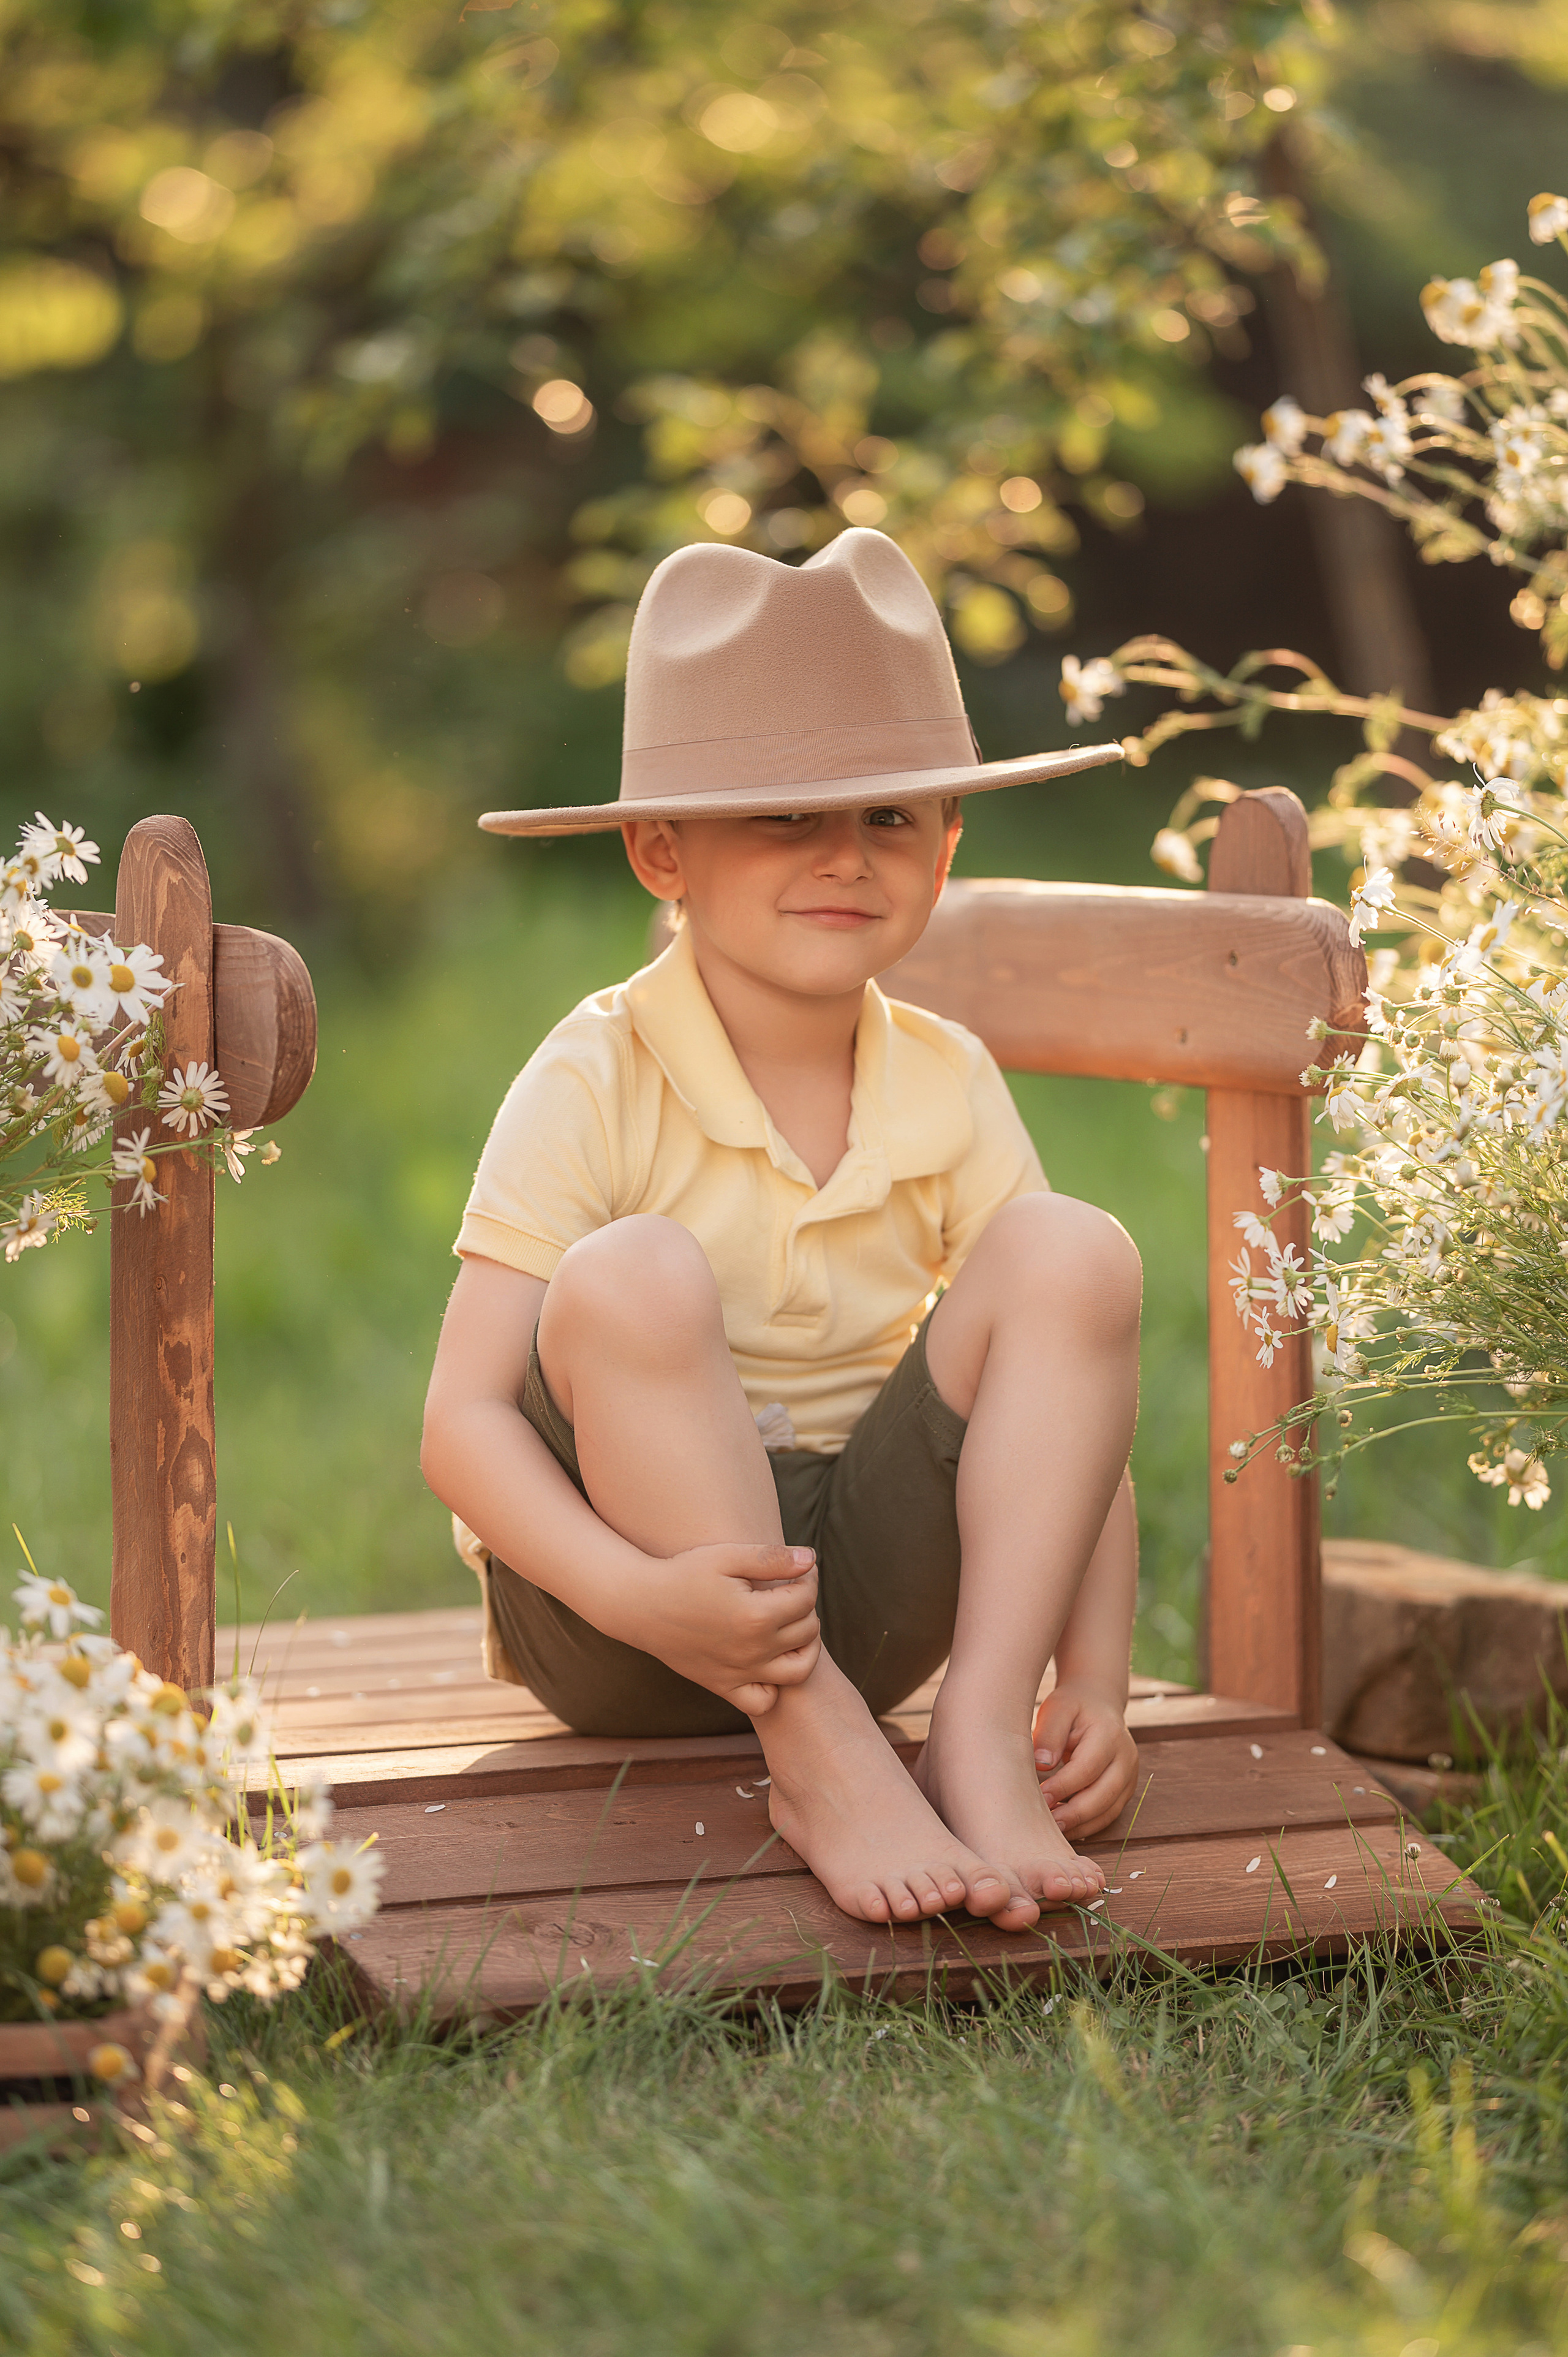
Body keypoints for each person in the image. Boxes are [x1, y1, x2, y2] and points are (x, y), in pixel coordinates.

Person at [421, 527, 1140, 1932]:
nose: (843, 858)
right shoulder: (596, 1071)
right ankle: (812, 1757)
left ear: (946, 842)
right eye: (784, 816)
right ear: (659, 850)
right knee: (631, 1270)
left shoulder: (947, 1078)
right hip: (626, 1611)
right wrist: (639, 1592)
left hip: (862, 1596)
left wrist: (1092, 1683)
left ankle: (974, 1739)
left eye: (887, 817)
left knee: (1076, 1250)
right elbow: (460, 1423)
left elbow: (1069, 1402)